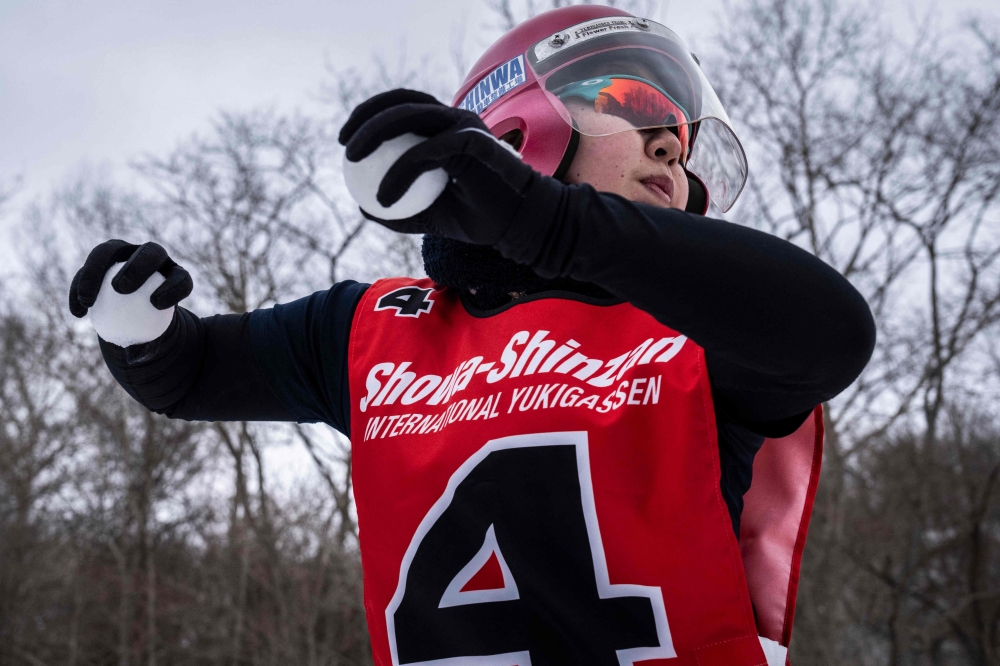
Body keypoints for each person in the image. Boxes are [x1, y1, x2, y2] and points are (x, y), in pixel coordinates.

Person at [68, 6, 874, 666]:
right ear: (516, 126)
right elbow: (192, 372)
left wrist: (548, 222)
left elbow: (834, 333)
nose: (673, 143)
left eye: (685, 137)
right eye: (632, 103)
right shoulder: (375, 333)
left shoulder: (703, 327)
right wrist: (142, 332)